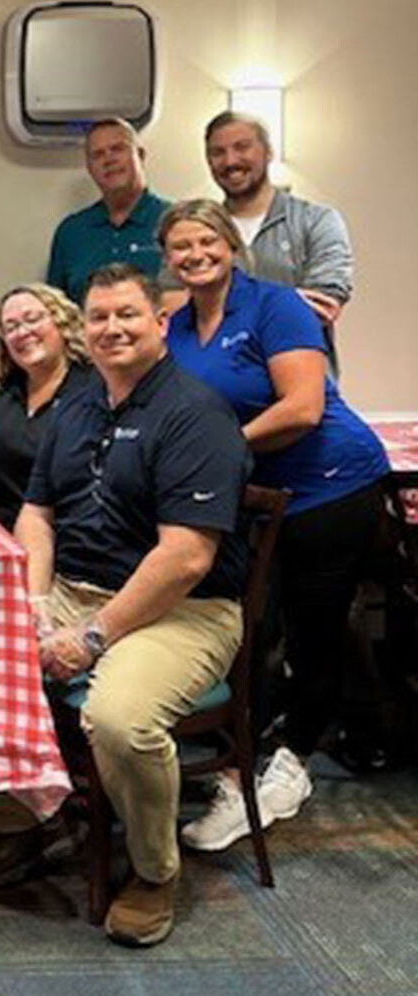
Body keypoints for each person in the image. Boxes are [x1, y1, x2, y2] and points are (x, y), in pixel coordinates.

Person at [10, 263, 251, 946]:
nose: (111, 328)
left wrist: (91, 636)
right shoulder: (78, 404)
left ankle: (152, 873)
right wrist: (35, 599)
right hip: (73, 590)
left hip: (182, 609)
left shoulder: (196, 414)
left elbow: (186, 558)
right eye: (99, 317)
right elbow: (36, 514)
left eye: (127, 315)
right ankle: (33, 826)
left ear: (161, 323)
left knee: (118, 719)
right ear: (83, 329)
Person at [159, 199, 389, 852]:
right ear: (167, 258)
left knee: (315, 632)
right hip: (254, 495)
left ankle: (293, 763)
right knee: (250, 629)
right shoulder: (178, 325)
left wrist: (219, 448)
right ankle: (245, 757)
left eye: (206, 240)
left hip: (332, 485)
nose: (195, 254)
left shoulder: (276, 306)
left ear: (230, 245)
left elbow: (303, 407)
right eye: (181, 246)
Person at [204, 110, 353, 369]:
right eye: (218, 152)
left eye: (242, 147)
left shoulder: (317, 221)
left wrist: (218, 310)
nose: (230, 161)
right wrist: (287, 302)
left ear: (269, 152)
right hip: (218, 387)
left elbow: (323, 306)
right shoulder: (199, 231)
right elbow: (176, 310)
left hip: (303, 382)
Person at [0, 283, 92, 531]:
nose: (22, 332)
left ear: (62, 323)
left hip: (62, 538)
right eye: (11, 327)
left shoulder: (94, 391)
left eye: (32, 319)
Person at [46, 118, 171, 304]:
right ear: (89, 168)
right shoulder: (71, 232)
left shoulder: (174, 221)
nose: (109, 160)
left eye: (118, 149)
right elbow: (56, 310)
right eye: (97, 155)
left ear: (140, 155)